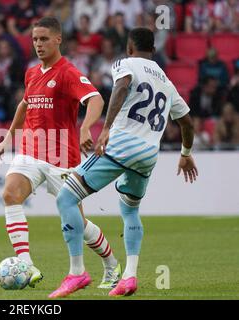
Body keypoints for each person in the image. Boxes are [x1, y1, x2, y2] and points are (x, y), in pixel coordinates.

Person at [51, 27, 198, 298]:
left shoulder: (125, 63)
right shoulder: (166, 81)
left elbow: (121, 86)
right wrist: (186, 153)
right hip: (148, 155)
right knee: (129, 210)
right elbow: (187, 122)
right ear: (153, 50)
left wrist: (105, 128)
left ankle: (77, 272)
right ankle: (129, 277)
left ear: (129, 47)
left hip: (122, 145)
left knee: (66, 198)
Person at [0, 17, 121, 290]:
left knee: (78, 223)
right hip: (30, 151)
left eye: (44, 39)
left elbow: (96, 99)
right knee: (10, 194)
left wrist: (86, 128)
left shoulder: (68, 72)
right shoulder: (32, 73)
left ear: (58, 39)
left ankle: (111, 263)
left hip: (62, 157)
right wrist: (8, 137)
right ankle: (27, 265)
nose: (38, 44)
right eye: (35, 39)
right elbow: (25, 105)